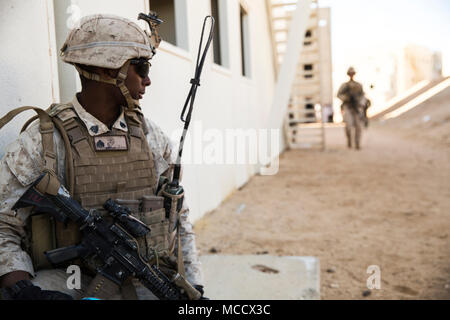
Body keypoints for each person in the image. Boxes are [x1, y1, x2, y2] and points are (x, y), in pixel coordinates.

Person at [0, 14, 204, 300]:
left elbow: (178, 217)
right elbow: (3, 226)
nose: (148, 80)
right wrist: (23, 289)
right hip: (72, 280)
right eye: (141, 67)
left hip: (144, 276)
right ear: (107, 70)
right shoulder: (45, 141)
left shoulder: (150, 136)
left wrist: (195, 284)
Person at [337, 67, 365, 150]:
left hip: (356, 107)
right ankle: (349, 141)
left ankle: (357, 143)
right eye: (350, 73)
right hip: (348, 107)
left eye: (353, 73)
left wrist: (360, 103)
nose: (351, 75)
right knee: (348, 126)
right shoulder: (344, 85)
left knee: (358, 126)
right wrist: (346, 98)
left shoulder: (358, 85)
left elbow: (362, 96)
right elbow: (339, 95)